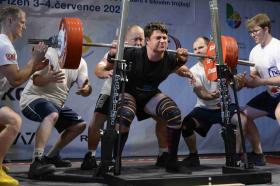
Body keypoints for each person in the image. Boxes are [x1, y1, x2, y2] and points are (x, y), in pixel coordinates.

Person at [102, 22, 191, 172]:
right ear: (147, 41)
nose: (163, 41)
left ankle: (171, 162)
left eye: (164, 38)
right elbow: (107, 66)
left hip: (150, 95)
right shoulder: (132, 53)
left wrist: (182, 61)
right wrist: (112, 55)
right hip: (129, 92)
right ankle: (115, 161)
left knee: (174, 114)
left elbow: (175, 67)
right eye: (158, 38)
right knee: (125, 116)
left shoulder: (170, 58)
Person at [81, 25, 169, 170]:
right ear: (125, 41)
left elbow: (172, 65)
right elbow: (100, 68)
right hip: (112, 90)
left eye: (142, 39)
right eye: (136, 39)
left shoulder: (148, 53)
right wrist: (105, 73)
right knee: (97, 119)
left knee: (162, 117)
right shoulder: (118, 51)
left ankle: (163, 154)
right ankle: (90, 155)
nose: (139, 43)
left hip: (137, 94)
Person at [181, 36, 265, 167]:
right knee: (186, 125)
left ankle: (235, 156)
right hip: (205, 109)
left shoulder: (224, 66)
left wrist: (240, 82)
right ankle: (193, 156)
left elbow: (235, 87)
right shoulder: (193, 71)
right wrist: (210, 95)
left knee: (242, 121)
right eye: (194, 49)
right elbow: (200, 92)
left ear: (210, 48)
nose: (196, 51)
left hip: (226, 107)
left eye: (200, 47)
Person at [19, 46, 92, 179]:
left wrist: (85, 89)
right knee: (51, 114)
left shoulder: (81, 63)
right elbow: (36, 80)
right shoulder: (50, 54)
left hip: (57, 104)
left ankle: (51, 157)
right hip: (33, 99)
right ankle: (37, 161)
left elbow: (86, 88)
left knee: (79, 125)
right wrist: (48, 78)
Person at [0, 6, 48, 186]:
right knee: (14, 121)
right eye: (21, 22)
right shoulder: (5, 45)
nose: (24, 27)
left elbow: (16, 74)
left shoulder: (3, 43)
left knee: (3, 122)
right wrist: (34, 60)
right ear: (10, 21)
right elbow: (16, 80)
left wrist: (34, 67)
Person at [243, 13, 280, 154]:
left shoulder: (277, 47)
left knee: (279, 112)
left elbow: (260, 81)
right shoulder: (254, 52)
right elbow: (254, 77)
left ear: (266, 29)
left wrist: (261, 82)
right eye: (250, 32)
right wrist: (241, 81)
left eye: (255, 31)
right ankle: (258, 154)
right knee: (242, 117)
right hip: (271, 95)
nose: (252, 35)